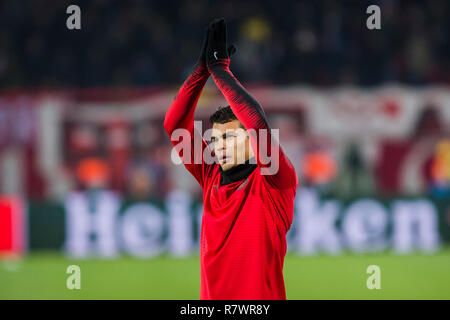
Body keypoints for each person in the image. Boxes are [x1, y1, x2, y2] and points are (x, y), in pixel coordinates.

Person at [164, 18, 298, 300]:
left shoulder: (274, 182)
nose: (217, 146)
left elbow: (257, 123)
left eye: (227, 138)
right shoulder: (210, 175)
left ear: (251, 141)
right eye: (214, 139)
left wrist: (221, 72)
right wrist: (201, 70)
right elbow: (175, 124)